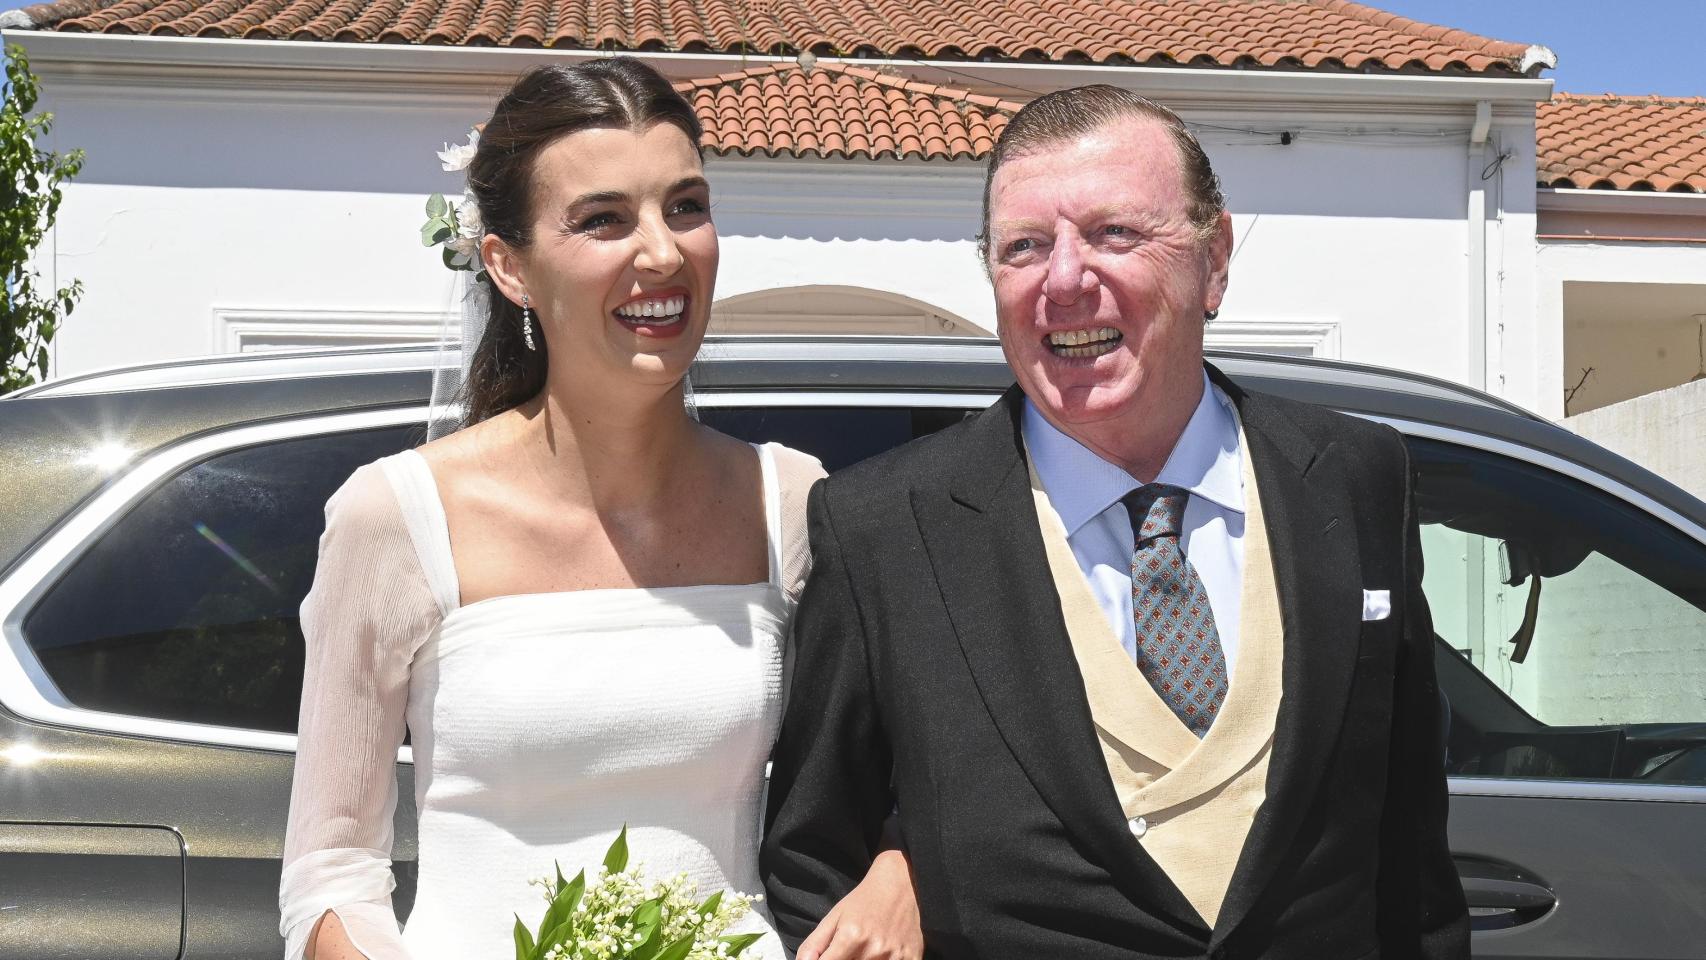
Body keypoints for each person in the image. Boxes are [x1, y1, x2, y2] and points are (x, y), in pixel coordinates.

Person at [762, 85, 1469, 959]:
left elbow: (1408, 857)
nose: (1064, 279)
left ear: (1214, 260)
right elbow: (810, 858)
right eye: (1024, 247)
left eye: (1114, 234)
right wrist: (900, 867)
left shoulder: (1355, 477)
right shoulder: (884, 529)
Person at [279, 58, 922, 960]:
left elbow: (920, 759)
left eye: (686, 206)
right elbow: (331, 866)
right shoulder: (396, 516)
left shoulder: (790, 503)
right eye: (603, 220)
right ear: (507, 266)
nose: (661, 251)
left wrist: (902, 874)